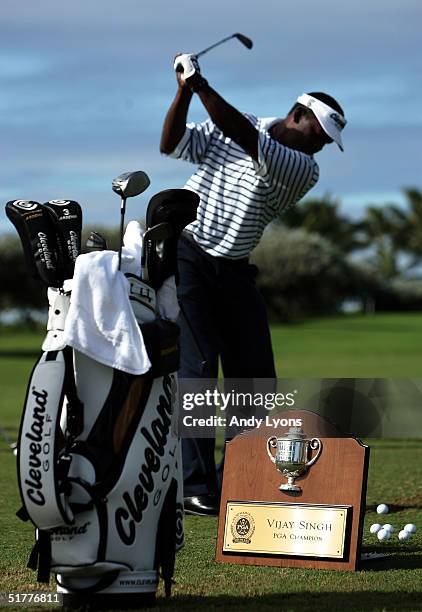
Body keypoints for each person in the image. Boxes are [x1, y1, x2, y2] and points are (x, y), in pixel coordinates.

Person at [160, 53, 347, 516]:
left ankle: (236, 478)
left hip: (236, 268)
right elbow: (173, 142)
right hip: (191, 255)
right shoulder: (237, 121)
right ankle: (194, 487)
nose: (319, 147)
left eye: (325, 143)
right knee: (200, 369)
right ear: (296, 115)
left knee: (256, 378)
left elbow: (243, 137)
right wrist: (184, 91)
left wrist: (200, 85)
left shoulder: (302, 168)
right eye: (317, 136)